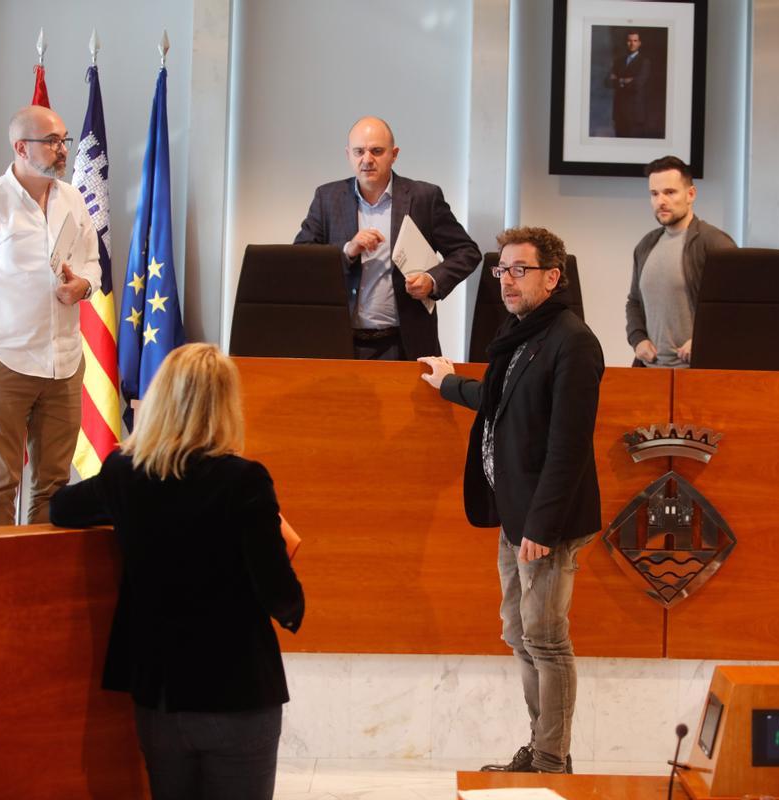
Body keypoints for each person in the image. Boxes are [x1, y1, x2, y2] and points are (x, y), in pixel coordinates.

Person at [50, 343, 304, 800]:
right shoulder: (244, 479)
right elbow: (278, 593)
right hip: (236, 690)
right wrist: (293, 604)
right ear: (225, 405)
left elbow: (63, 509)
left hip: (160, 692)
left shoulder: (124, 473)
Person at [418, 227, 604, 774]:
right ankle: (542, 748)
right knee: (520, 633)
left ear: (553, 277)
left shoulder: (573, 342)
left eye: (521, 270)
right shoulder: (520, 333)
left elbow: (569, 446)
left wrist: (541, 530)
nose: (507, 280)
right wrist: (450, 384)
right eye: (502, 270)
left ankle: (551, 760)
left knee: (546, 640)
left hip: (547, 524)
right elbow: (499, 400)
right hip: (514, 513)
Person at [0, 105, 100, 527]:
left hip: (64, 362)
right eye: (51, 142)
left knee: (54, 485)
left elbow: (92, 263)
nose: (62, 149)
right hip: (5, 361)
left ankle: (38, 569)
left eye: (64, 140)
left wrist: (83, 286)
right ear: (20, 148)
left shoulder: (72, 199)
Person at [294, 116, 481, 360]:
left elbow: (466, 251)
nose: (367, 159)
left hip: (404, 343)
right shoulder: (327, 197)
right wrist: (347, 250)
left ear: (394, 154)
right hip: (341, 342)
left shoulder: (424, 198)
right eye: (359, 151)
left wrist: (432, 280)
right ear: (348, 155)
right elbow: (301, 258)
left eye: (377, 151)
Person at [625, 155, 736, 368]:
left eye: (670, 192)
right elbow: (634, 301)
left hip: (698, 372)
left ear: (690, 194)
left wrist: (704, 340)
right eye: (654, 194)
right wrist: (638, 339)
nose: (661, 201)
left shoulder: (715, 243)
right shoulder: (646, 245)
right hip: (649, 372)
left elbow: (735, 309)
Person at [604, 31, 651, 138]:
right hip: (619, 113)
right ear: (625, 42)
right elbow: (607, 82)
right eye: (629, 41)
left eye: (635, 41)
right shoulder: (618, 62)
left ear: (639, 43)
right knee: (618, 143)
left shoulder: (644, 62)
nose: (632, 43)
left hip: (635, 114)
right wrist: (624, 80)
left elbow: (637, 84)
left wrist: (617, 80)